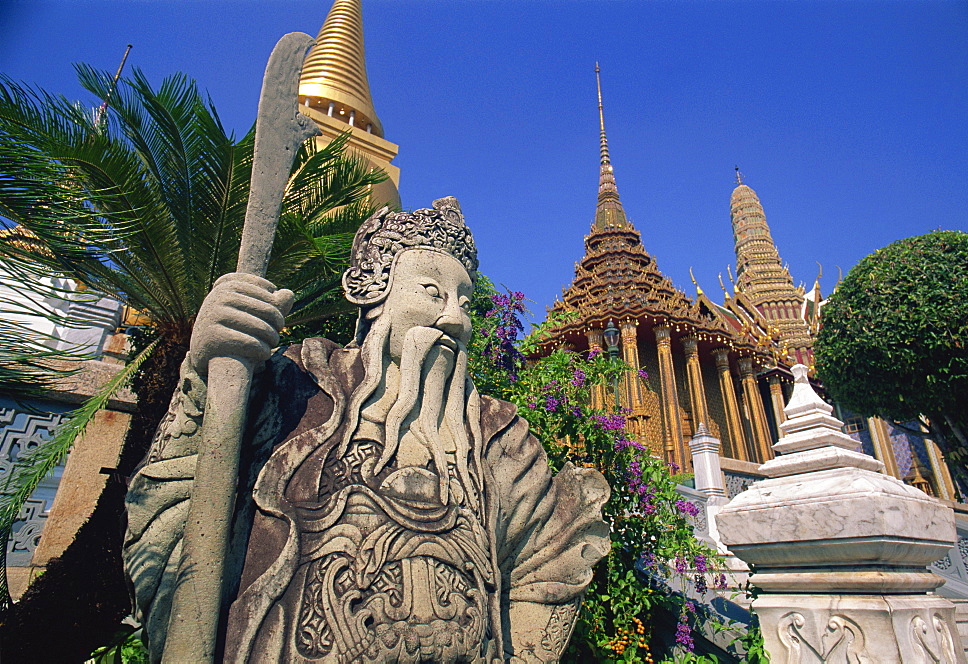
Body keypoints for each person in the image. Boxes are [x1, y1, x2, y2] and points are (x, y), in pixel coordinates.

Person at [124, 197, 610, 663]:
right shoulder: (294, 389)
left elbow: (550, 563)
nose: (455, 318)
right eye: (432, 293)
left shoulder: (499, 437)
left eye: (465, 302)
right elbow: (177, 496)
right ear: (374, 293)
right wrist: (204, 374)